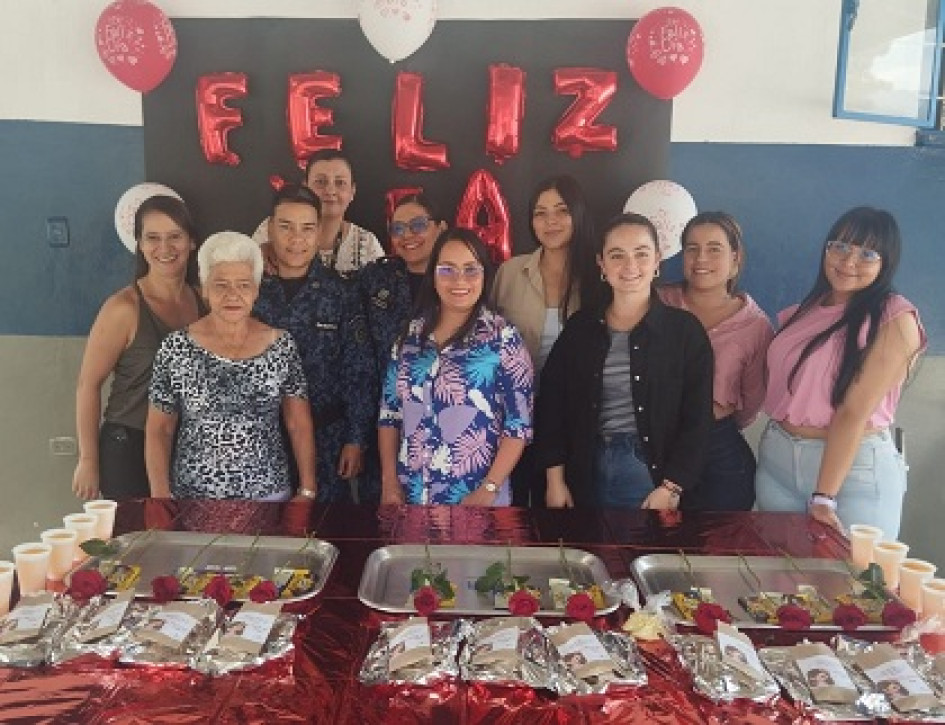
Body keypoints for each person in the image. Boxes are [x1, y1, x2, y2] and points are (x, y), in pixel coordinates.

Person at [755, 207, 925, 539]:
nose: (848, 262)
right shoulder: (808, 309)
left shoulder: (894, 318)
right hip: (778, 463)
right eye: (840, 246)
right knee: (784, 583)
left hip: (852, 475)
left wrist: (824, 496)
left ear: (885, 262)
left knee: (857, 584)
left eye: (867, 253)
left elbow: (854, 411)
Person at [536, 212, 714, 510]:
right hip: (585, 469)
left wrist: (671, 487)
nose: (630, 266)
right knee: (590, 555)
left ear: (657, 260)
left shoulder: (684, 332)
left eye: (641, 254)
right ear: (601, 264)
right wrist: (555, 480)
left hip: (648, 474)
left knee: (639, 555)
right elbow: (552, 406)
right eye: (616, 255)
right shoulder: (581, 328)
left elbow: (697, 420)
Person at [146, 232, 317, 501]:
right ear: (204, 289)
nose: (232, 295)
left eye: (243, 285)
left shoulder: (281, 345)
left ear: (256, 290)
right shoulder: (175, 347)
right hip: (194, 498)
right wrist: (159, 495)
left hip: (268, 496)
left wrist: (307, 490)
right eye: (221, 285)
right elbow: (160, 429)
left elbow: (298, 423)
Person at [378, 228, 534, 505]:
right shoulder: (410, 338)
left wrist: (488, 490)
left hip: (476, 501)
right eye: (447, 270)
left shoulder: (502, 338)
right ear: (433, 276)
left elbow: (518, 426)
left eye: (470, 270)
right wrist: (390, 483)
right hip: (410, 498)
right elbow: (390, 415)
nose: (459, 280)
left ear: (485, 275)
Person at [72, 195, 205, 501]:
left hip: (182, 444)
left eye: (175, 237)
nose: (165, 248)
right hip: (128, 443)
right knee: (135, 543)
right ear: (140, 245)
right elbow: (87, 385)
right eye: (153, 238)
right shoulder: (123, 307)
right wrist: (89, 459)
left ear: (191, 242)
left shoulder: (201, 300)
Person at [253, 184, 376, 502]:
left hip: (328, 441)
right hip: (261, 441)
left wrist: (355, 438)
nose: (297, 239)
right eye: (286, 227)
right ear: (269, 229)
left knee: (325, 532)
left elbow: (359, 369)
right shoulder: (249, 291)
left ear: (319, 231)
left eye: (307, 228)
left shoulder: (342, 292)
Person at [491, 175, 596, 506]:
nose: (550, 221)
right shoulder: (510, 272)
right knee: (515, 512)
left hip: (571, 420)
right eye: (540, 212)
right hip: (511, 417)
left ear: (578, 214)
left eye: (561, 210)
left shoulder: (598, 278)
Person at [658, 212, 773, 511]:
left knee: (715, 549)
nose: (701, 258)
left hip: (718, 452)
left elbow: (751, 403)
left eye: (714, 249)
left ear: (735, 259)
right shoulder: (658, 302)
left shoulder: (755, 326)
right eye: (692, 249)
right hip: (655, 442)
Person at [304, 149, 385, 273]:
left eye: (340, 182)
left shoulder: (366, 243)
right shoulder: (275, 232)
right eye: (320, 182)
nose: (330, 191)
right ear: (305, 188)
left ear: (352, 192)